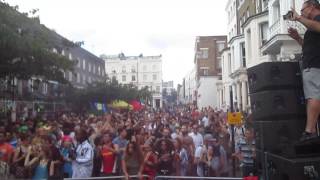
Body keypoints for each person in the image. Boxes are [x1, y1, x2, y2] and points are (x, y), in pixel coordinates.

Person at [288, 0, 320, 141]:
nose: (301, 13)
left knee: (313, 96)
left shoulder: (317, 20)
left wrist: (299, 18)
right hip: (312, 64)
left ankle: (310, 131)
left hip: (314, 65)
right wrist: (298, 38)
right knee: (313, 96)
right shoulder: (312, 27)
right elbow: (308, 47)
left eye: (302, 10)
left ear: (312, 7)